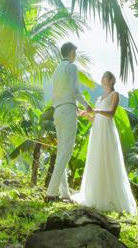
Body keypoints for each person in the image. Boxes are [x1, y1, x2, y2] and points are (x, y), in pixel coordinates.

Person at [73, 71, 137, 214]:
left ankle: (111, 197)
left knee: (108, 159)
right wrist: (85, 114)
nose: (103, 79)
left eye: (106, 77)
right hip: (97, 130)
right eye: (102, 77)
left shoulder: (115, 95)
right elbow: (94, 118)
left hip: (107, 130)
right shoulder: (100, 97)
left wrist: (95, 110)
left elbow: (111, 114)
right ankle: (96, 194)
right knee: (96, 160)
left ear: (111, 80)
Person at [46, 42, 90, 201]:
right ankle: (51, 192)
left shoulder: (56, 70)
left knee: (61, 152)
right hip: (68, 110)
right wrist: (87, 105)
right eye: (75, 52)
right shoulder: (71, 67)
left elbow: (57, 93)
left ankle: (64, 193)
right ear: (71, 52)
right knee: (67, 151)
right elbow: (75, 90)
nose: (75, 55)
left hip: (58, 111)